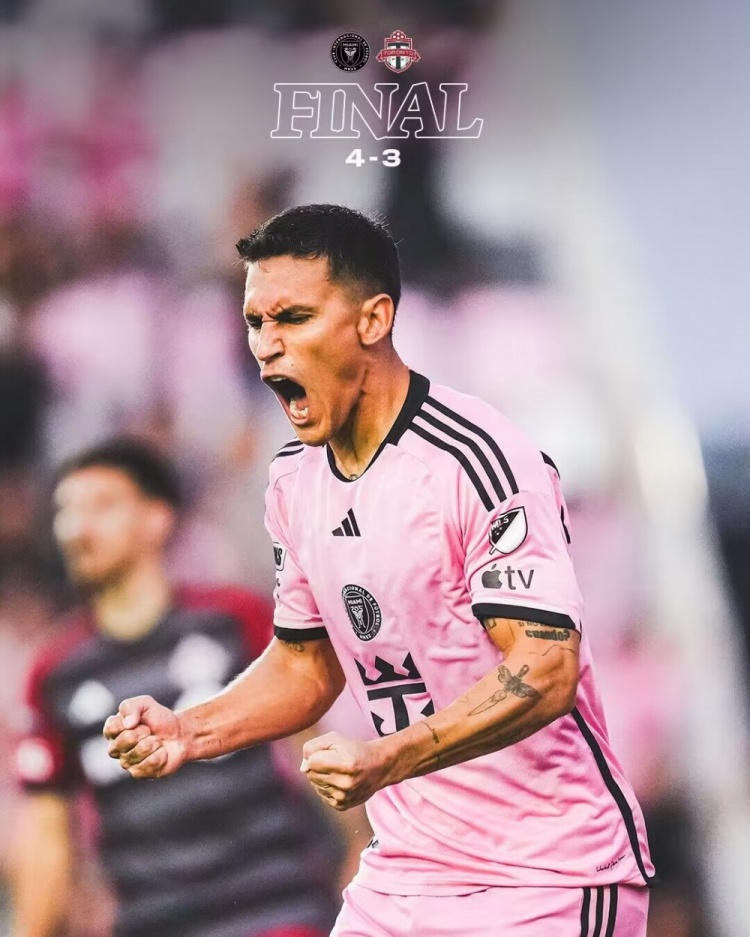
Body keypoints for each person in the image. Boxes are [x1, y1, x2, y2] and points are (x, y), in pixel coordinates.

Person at [105, 205, 655, 936]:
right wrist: (190, 730)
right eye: (256, 322)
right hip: (406, 875)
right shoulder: (294, 481)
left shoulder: (476, 459)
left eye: (294, 318)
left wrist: (389, 757)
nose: (266, 346)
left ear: (373, 320)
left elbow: (546, 669)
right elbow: (306, 665)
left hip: (544, 875)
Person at [12, 438, 349, 937]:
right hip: (153, 922)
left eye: (101, 506)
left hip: (274, 909)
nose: (77, 528)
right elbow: (48, 837)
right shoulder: (55, 673)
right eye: (66, 512)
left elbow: (313, 744)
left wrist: (361, 851)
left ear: (158, 518)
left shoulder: (235, 619)